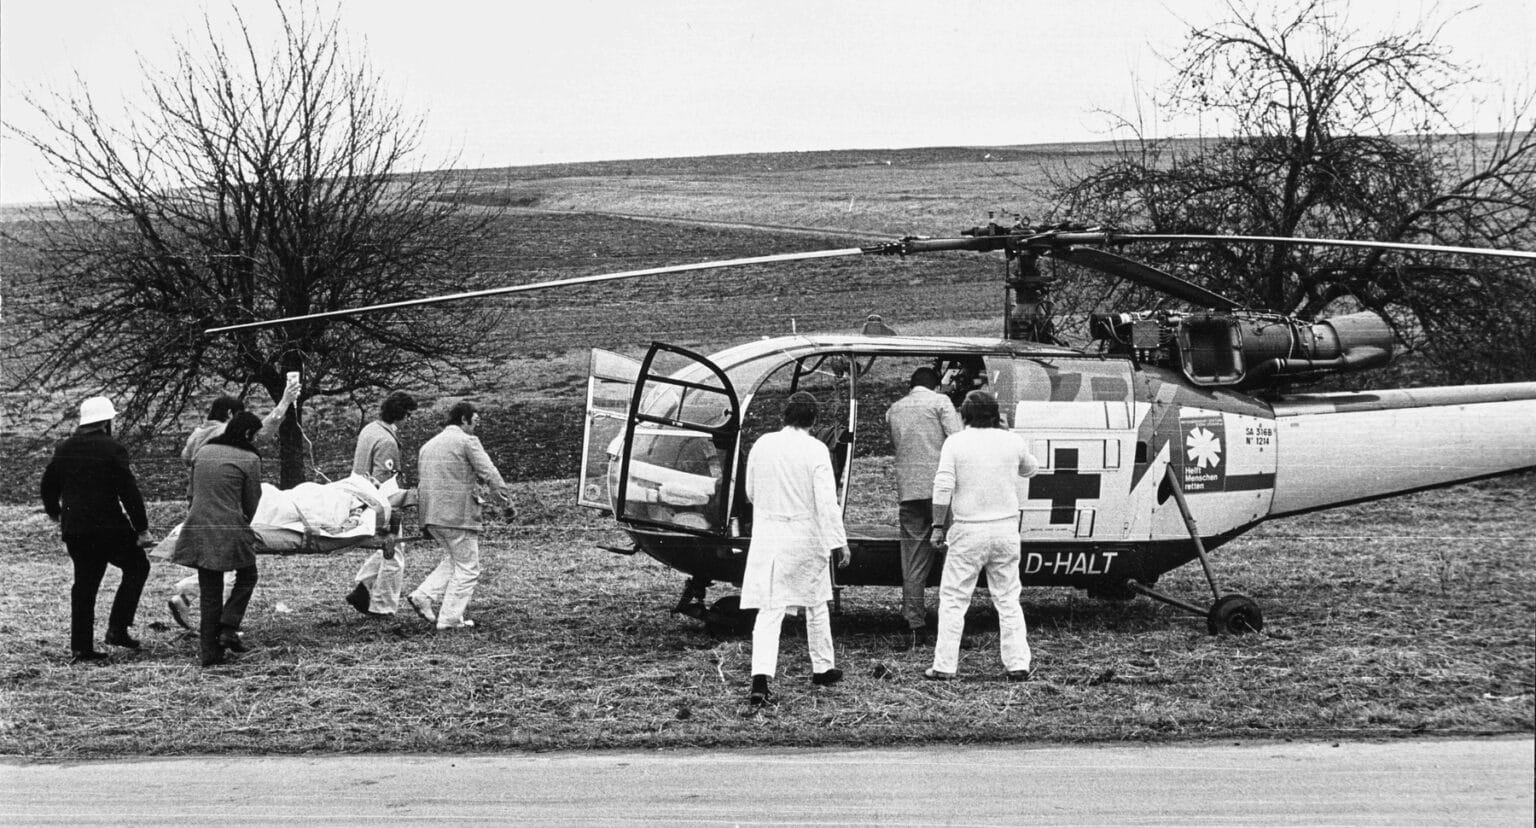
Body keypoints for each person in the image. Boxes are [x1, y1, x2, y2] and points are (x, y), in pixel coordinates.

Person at [741, 391, 851, 707]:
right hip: (805, 536)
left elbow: (750, 492)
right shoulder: (816, 450)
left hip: (769, 537)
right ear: (813, 421)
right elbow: (826, 502)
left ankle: (760, 680)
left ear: (784, 416)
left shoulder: (762, 445)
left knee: (770, 609)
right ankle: (823, 668)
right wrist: (838, 541)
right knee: (816, 602)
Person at [925, 389, 1040, 683]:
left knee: (953, 598)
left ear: (964, 414)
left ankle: (945, 665)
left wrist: (938, 525)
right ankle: (1018, 663)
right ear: (995, 414)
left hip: (968, 530)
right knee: (1008, 598)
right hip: (1005, 529)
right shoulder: (1012, 440)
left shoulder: (955, 443)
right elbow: (1031, 468)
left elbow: (942, 485)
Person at [167, 379, 298, 628]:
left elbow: (186, 459)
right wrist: (284, 402)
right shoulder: (223, 436)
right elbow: (262, 432)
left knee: (214, 561)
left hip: (199, 504)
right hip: (226, 507)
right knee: (231, 563)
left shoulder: (198, 435)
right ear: (230, 415)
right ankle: (203, 608)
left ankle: (193, 603)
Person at [40, 396, 154, 663]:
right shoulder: (112, 449)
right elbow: (128, 490)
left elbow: (48, 484)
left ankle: (81, 647)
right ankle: (118, 627)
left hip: (76, 529)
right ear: (106, 421)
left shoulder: (65, 448)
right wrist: (142, 528)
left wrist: (55, 512)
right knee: (137, 567)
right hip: (109, 528)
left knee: (85, 585)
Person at [405, 402, 511, 631]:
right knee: (469, 567)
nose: (477, 424)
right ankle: (451, 620)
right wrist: (506, 503)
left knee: (456, 560)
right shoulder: (467, 441)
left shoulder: (428, 446)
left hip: (431, 515)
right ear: (463, 419)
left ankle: (423, 596)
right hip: (457, 515)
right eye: (475, 420)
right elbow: (489, 473)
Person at [171, 411, 264, 667]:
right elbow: (252, 502)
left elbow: (191, 491)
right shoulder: (250, 458)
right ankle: (228, 625)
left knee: (210, 592)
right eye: (256, 435)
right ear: (247, 434)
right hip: (229, 527)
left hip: (198, 526)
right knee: (248, 576)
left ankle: (210, 654)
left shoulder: (204, 451)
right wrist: (244, 525)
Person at [885, 366, 962, 649]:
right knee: (953, 560)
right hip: (940, 492)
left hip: (909, 493)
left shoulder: (894, 409)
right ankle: (951, 627)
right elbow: (957, 439)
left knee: (913, 562)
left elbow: (897, 443)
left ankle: (915, 623)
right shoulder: (941, 402)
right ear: (935, 386)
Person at [346, 391, 419, 616]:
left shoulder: (370, 429)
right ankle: (382, 607)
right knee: (393, 552)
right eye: (408, 415)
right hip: (379, 501)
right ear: (400, 415)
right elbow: (381, 479)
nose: (408, 420)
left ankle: (364, 587)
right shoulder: (387, 441)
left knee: (388, 548)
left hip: (359, 493)